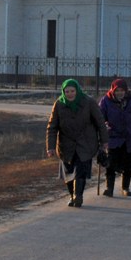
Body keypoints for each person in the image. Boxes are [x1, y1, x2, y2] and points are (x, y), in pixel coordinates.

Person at [46, 78, 109, 208]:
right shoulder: (58, 104)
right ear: (63, 92)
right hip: (65, 145)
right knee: (68, 174)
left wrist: (104, 141)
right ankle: (72, 195)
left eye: (72, 91)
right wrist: (50, 147)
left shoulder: (88, 102)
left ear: (77, 90)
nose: (70, 94)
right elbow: (52, 127)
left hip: (85, 143)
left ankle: (78, 196)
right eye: (67, 91)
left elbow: (100, 123)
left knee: (80, 171)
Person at [98, 78, 131, 197]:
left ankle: (125, 187)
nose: (119, 93)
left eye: (122, 90)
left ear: (126, 91)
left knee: (128, 165)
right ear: (113, 90)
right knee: (110, 164)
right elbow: (100, 117)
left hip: (130, 137)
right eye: (117, 90)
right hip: (113, 137)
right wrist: (104, 125)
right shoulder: (105, 101)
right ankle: (109, 188)